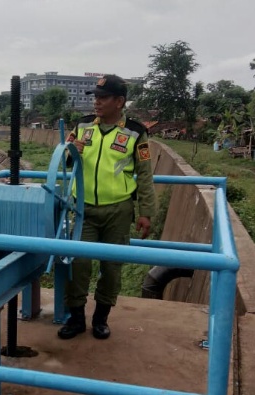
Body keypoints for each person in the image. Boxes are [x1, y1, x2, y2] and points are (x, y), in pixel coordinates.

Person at [58, 74, 156, 340]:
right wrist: (71, 150)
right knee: (78, 265)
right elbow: (64, 161)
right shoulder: (82, 126)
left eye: (103, 98)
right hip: (83, 210)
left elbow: (145, 174)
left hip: (118, 211)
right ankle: (76, 319)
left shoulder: (136, 132)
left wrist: (146, 212)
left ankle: (100, 319)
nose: (97, 103)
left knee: (111, 268)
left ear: (120, 101)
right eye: (95, 98)